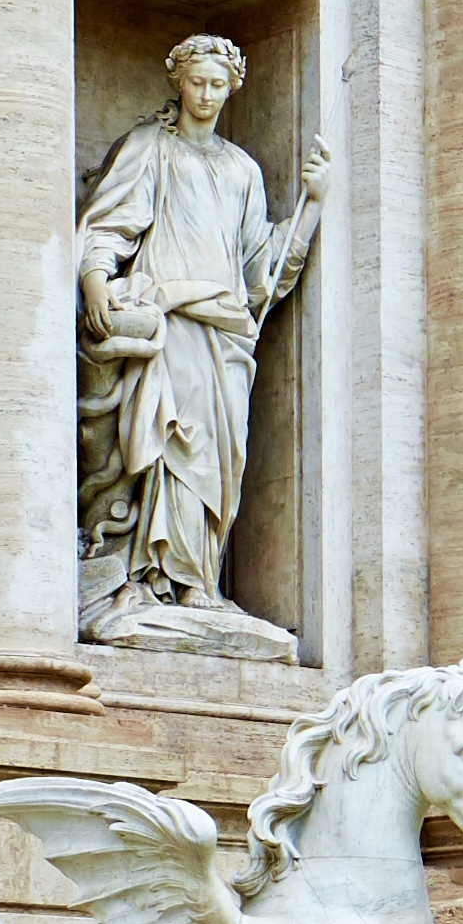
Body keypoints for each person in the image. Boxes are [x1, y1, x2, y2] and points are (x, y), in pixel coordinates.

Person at [70, 32, 324, 654]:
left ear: (232, 88)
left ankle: (199, 580)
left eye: (218, 85)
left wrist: (313, 205)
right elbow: (109, 222)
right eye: (197, 82)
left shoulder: (242, 170)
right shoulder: (149, 147)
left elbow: (261, 266)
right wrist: (95, 277)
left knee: (220, 458)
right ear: (177, 82)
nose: (206, 95)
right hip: (173, 321)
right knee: (169, 442)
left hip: (227, 334)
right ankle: (148, 576)